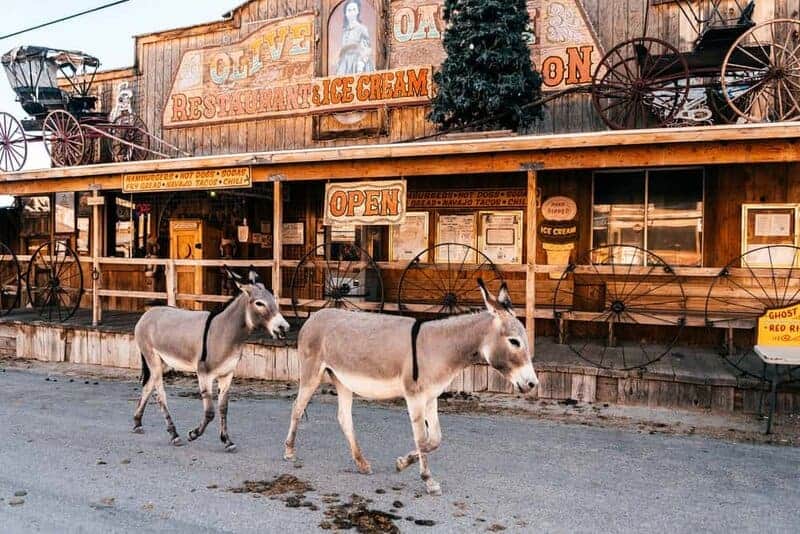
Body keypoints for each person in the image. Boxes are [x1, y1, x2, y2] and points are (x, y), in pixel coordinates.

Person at [335, 0, 374, 75]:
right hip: (345, 64)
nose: (351, 12)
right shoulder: (345, 30)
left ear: (357, 11)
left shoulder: (362, 28)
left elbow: (367, 48)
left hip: (358, 62)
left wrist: (362, 62)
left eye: (354, 9)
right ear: (346, 13)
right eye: (349, 10)